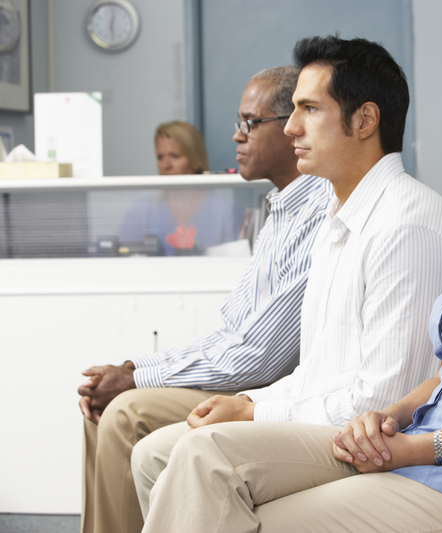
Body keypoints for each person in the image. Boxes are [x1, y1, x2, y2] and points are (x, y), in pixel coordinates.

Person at [140, 27, 442, 532]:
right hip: (429, 464)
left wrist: (418, 446)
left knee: (227, 487)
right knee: (223, 498)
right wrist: (389, 418)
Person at [77, 65, 333, 533]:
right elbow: (231, 333)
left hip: (267, 392)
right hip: (247, 377)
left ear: (293, 128)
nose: (237, 137)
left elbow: (258, 358)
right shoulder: (277, 210)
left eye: (250, 123)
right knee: (103, 405)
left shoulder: (319, 211)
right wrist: (135, 369)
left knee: (123, 412)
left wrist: (137, 381)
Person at [117, 121, 237, 255]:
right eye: (160, 157)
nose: (166, 165)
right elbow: (122, 259)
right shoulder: (140, 211)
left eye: (175, 156)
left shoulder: (223, 211)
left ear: (196, 160)